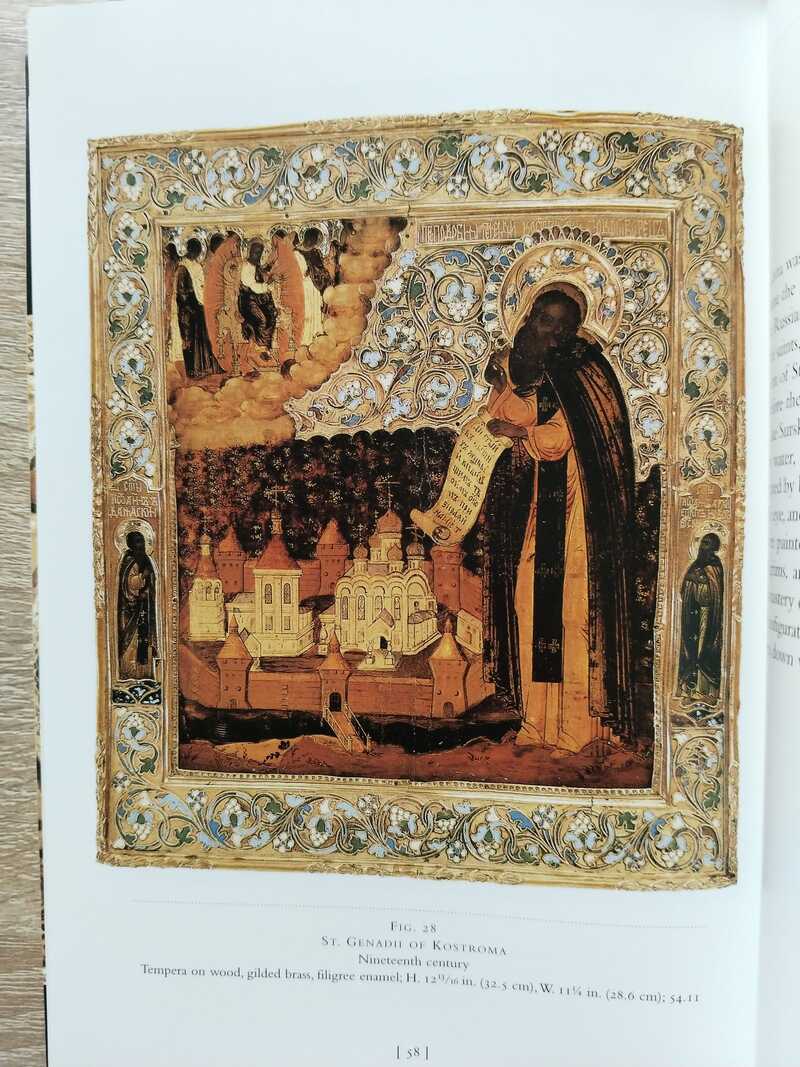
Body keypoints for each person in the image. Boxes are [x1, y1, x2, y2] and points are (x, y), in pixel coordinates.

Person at [484, 287, 638, 750]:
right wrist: (502, 380)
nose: (552, 333)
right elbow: (514, 414)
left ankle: (579, 731)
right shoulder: (539, 368)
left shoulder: (585, 370)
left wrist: (519, 433)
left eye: (562, 326)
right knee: (531, 605)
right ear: (529, 318)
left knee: (574, 613)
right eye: (544, 321)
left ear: (575, 330)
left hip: (582, 514)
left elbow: (557, 437)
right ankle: (538, 725)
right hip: (545, 505)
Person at [678, 532, 724, 703]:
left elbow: (716, 591)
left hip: (708, 614)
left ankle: (705, 691)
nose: (703, 546)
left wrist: (703, 581)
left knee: (704, 647)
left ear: (714, 547)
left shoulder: (716, 567)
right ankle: (689, 689)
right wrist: (692, 582)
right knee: (691, 647)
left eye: (707, 543)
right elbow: (684, 590)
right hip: (694, 614)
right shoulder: (695, 566)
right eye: (702, 542)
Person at [175, 238, 222, 377]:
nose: (196, 254)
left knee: (206, 335)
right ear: (189, 250)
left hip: (199, 304)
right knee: (192, 339)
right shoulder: (183, 267)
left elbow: (202, 285)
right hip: (189, 308)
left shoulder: (197, 265)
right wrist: (193, 305)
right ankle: (195, 370)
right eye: (194, 251)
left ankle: (208, 367)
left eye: (198, 251)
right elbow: (182, 293)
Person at [117, 531, 157, 679]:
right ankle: (128, 673)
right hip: (131, 609)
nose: (141, 545)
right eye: (138, 542)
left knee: (144, 638)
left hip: (145, 606)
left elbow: (152, 582)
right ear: (131, 544)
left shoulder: (145, 559)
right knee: (131, 640)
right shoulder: (129, 560)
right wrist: (143, 576)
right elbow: (129, 583)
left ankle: (145, 673)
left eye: (143, 541)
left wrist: (147, 590)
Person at [238, 238, 278, 359]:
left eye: (259, 253)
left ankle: (266, 347)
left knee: (271, 315)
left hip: (258, 300)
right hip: (248, 302)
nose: (257, 255)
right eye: (255, 252)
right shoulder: (246, 267)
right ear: (250, 251)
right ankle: (259, 349)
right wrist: (268, 285)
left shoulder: (257, 266)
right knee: (262, 320)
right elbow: (254, 287)